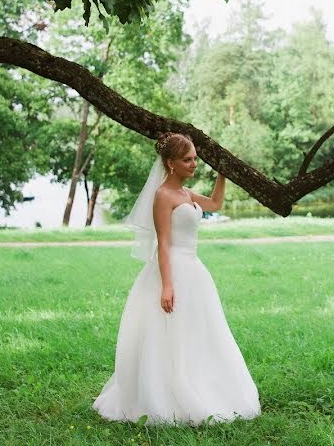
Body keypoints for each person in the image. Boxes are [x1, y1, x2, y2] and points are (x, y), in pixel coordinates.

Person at [93, 132, 260, 425]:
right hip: (172, 271)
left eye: (195, 158)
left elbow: (216, 205)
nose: (194, 164)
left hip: (196, 272)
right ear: (170, 163)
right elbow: (164, 243)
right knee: (168, 335)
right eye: (187, 159)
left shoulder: (186, 194)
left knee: (199, 332)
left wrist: (222, 174)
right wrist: (167, 285)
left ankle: (200, 382)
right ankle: (165, 392)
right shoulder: (163, 196)